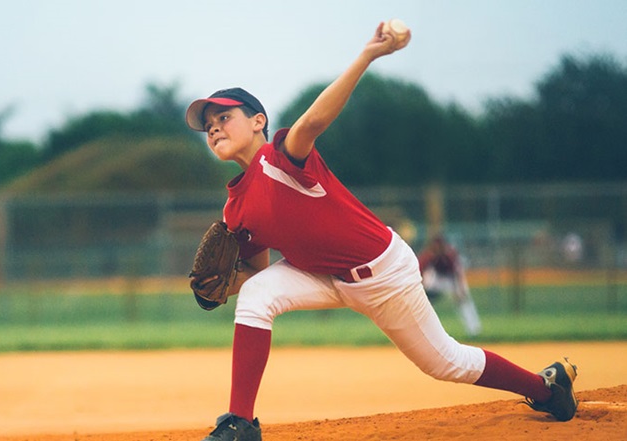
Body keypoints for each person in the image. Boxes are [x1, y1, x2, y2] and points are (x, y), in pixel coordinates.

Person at [184, 22, 578, 441]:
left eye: (224, 117)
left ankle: (547, 390)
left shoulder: (279, 159)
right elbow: (253, 276)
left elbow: (315, 120)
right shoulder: (235, 206)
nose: (213, 127)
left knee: (446, 364)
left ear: (259, 121)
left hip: (382, 271)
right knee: (257, 295)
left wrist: (368, 55)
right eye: (207, 125)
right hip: (321, 275)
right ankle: (240, 424)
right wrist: (215, 290)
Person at [418, 234, 482, 337]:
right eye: (435, 247)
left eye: (439, 246)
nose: (437, 249)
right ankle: (423, 330)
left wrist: (460, 290)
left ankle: (474, 330)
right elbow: (420, 270)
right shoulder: (428, 255)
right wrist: (422, 290)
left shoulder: (450, 254)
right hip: (437, 278)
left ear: (443, 246)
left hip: (451, 279)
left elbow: (457, 273)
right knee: (424, 301)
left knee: (464, 302)